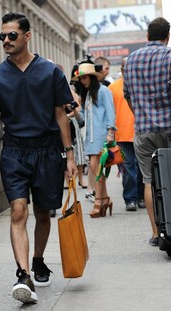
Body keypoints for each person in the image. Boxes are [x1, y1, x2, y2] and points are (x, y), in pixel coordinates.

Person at [0, 12, 77, 304]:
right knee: (18, 211)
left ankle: (38, 259)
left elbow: (61, 115)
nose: (6, 41)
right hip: (14, 151)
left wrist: (70, 156)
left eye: (12, 35)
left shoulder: (50, 72)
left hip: (48, 150)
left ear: (27, 36)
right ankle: (22, 274)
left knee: (43, 213)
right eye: (3, 36)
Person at [123, 17, 171, 246]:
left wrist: (141, 115)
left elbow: (128, 97)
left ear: (147, 36)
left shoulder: (130, 60)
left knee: (149, 181)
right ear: (167, 37)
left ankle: (156, 231)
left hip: (143, 130)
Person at [72, 62, 116, 218]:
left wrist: (110, 132)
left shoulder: (103, 91)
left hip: (101, 135)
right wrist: (75, 111)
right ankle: (104, 199)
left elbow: (111, 112)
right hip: (90, 137)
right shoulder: (88, 95)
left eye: (84, 78)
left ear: (91, 77)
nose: (82, 81)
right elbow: (83, 118)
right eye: (80, 79)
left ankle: (99, 200)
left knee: (96, 168)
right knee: (95, 168)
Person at [108, 57, 144, 212]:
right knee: (128, 168)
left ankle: (142, 196)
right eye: (124, 67)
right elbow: (110, 113)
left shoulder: (141, 84)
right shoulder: (113, 88)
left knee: (142, 167)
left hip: (141, 132)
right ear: (121, 69)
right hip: (122, 135)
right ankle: (131, 199)